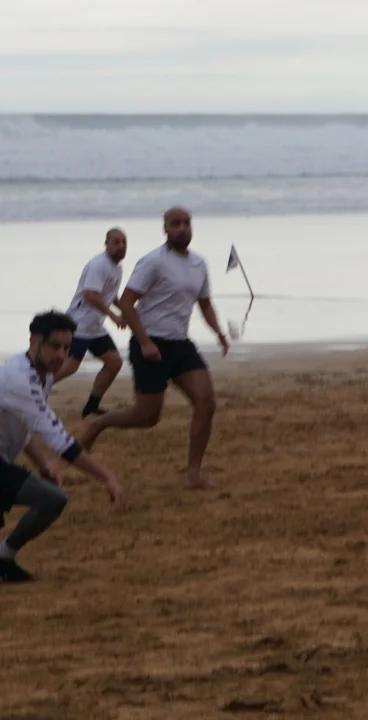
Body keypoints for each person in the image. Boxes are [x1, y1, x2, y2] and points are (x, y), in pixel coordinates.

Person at [76, 207, 229, 491]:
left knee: (206, 403)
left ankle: (193, 474)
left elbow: (205, 304)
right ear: (165, 229)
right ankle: (99, 423)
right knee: (147, 417)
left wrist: (218, 332)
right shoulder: (153, 262)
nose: (182, 228)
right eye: (175, 224)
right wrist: (145, 341)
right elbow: (126, 302)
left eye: (186, 223)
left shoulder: (199, 263)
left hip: (180, 344)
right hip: (149, 343)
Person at [1, 311, 126, 582]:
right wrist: (108, 478)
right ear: (34, 342)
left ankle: (4, 557)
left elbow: (23, 427)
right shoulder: (18, 378)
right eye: (54, 346)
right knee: (52, 498)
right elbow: (61, 442)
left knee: (51, 498)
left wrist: (43, 464)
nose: (61, 355)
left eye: (67, 348)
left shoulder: (42, 375)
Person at [55, 227, 129, 417]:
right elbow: (90, 295)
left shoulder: (117, 268)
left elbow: (111, 295)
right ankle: (31, 390)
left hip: (95, 327)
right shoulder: (99, 264)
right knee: (69, 367)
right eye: (116, 242)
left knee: (114, 363)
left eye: (124, 242)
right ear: (106, 244)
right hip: (79, 323)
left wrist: (127, 311)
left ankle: (91, 407)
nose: (121, 246)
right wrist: (112, 316)